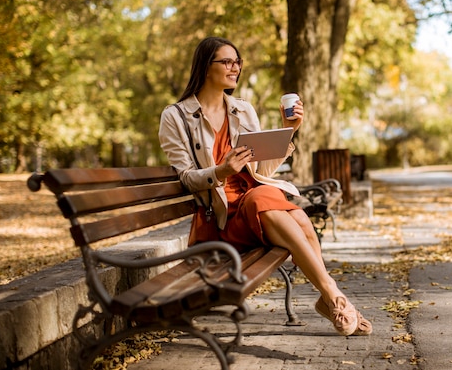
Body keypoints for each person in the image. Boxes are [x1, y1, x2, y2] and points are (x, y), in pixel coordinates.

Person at [158, 36, 372, 337]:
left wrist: (289, 132)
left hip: (256, 203)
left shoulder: (243, 110)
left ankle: (331, 296)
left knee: (278, 204)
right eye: (227, 62)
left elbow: (261, 170)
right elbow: (184, 178)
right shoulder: (176, 117)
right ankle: (332, 296)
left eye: (238, 62)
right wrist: (220, 171)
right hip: (221, 219)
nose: (236, 68)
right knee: (275, 204)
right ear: (206, 67)